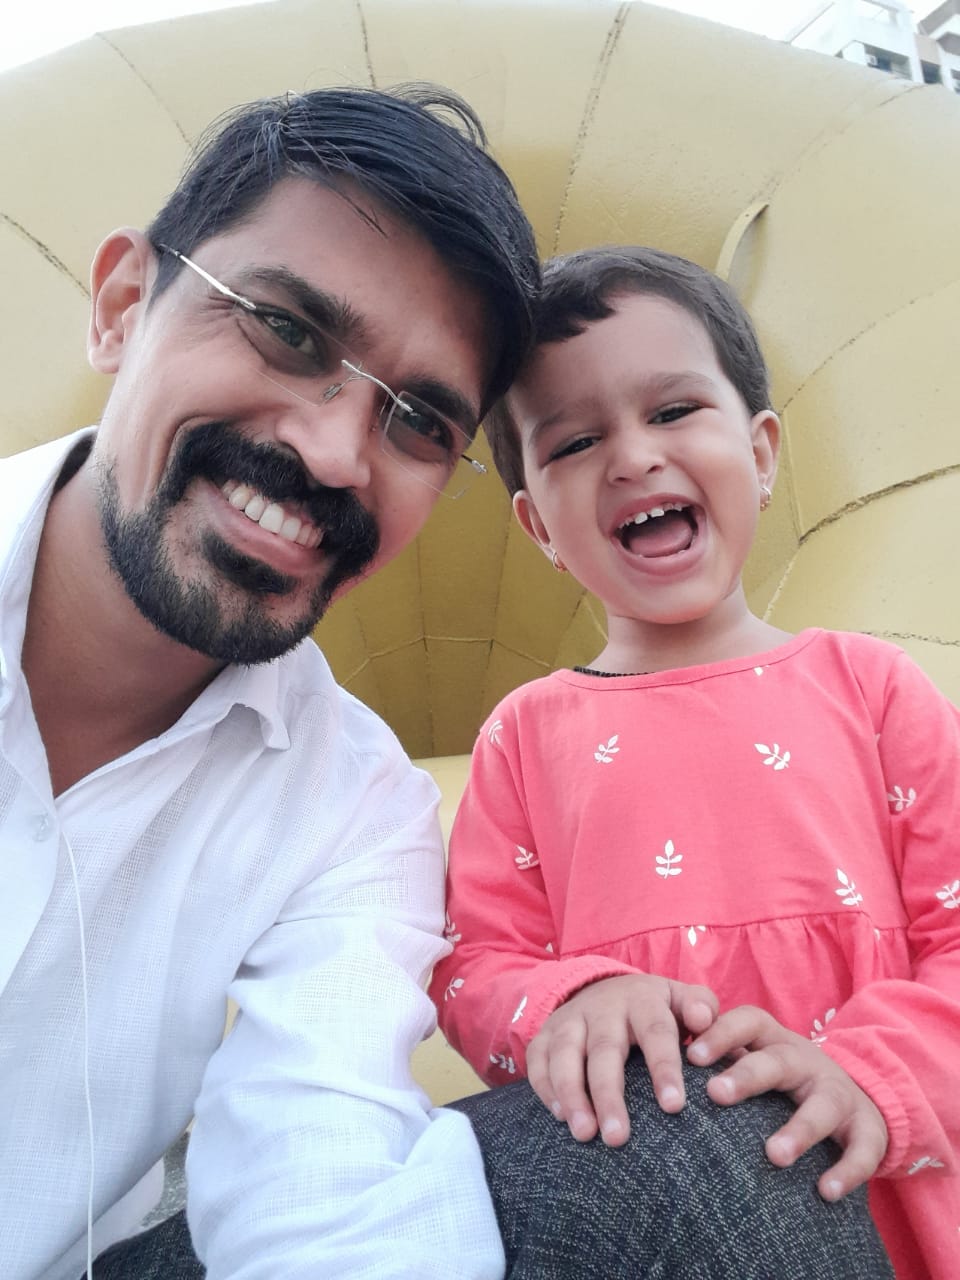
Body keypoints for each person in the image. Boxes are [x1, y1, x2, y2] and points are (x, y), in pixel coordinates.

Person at [1, 84, 538, 1280]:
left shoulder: (356, 807)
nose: (336, 452)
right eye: (287, 331)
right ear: (123, 305)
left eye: (419, 421)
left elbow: (324, 1180)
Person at [431, 245, 959, 1279]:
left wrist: (870, 1070)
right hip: (657, 1218)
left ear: (761, 452)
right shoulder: (526, 735)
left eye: (673, 410)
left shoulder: (873, 687)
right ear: (537, 525)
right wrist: (574, 999)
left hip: (884, 1200)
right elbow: (475, 965)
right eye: (576, 440)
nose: (633, 457)